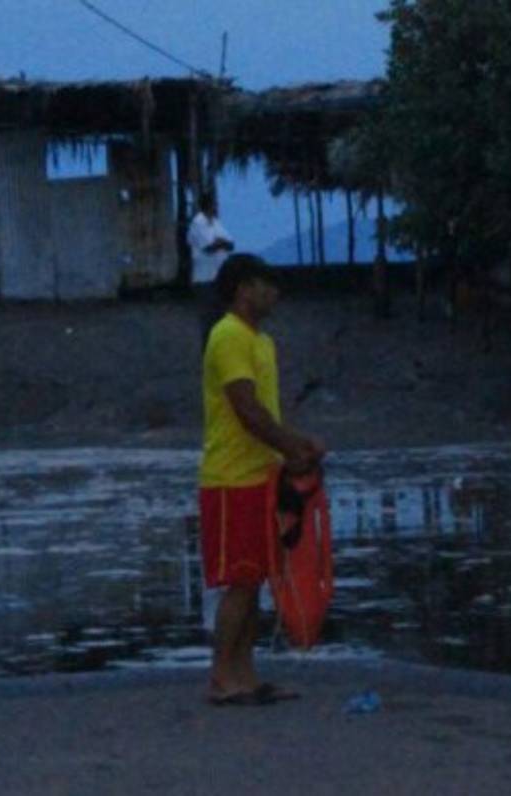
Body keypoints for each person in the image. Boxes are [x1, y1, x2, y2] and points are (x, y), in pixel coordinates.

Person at [199, 253, 325, 705]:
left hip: (260, 475)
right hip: (231, 478)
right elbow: (247, 409)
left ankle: (245, 673)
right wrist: (293, 445)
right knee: (240, 579)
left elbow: (265, 413)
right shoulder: (228, 335)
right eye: (263, 285)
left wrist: (292, 449)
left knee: (256, 577)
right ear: (242, 289)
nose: (272, 294)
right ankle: (221, 676)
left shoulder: (262, 341)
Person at [187, 192, 235, 344]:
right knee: (209, 321)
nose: (217, 206)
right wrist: (220, 242)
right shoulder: (198, 223)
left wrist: (220, 242)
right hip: (204, 279)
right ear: (209, 205)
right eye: (215, 204)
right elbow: (208, 247)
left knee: (221, 319)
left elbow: (230, 244)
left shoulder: (215, 222)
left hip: (219, 277)